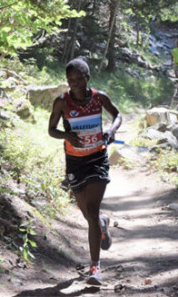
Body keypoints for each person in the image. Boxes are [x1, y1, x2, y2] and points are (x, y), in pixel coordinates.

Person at [48, 56, 122, 285]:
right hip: (75, 162)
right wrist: (67, 135)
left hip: (97, 158)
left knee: (91, 209)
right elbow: (51, 130)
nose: (75, 85)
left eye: (79, 80)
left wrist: (111, 131)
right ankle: (102, 223)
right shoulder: (62, 102)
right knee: (88, 215)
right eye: (71, 81)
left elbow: (118, 115)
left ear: (87, 77)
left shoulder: (100, 98)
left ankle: (95, 268)